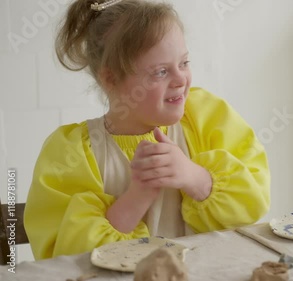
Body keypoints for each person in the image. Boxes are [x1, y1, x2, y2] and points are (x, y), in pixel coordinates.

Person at [24, 0, 270, 260]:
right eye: (161, 71)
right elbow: (70, 259)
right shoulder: (71, 154)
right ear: (111, 79)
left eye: (184, 63)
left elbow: (252, 205)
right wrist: (138, 195)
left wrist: (193, 176)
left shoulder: (206, 117)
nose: (180, 80)